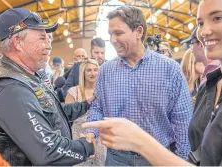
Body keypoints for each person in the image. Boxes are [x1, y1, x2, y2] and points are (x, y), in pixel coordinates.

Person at [86, 0, 222, 165]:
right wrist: (92, 130)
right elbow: (98, 106)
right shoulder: (106, 71)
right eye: (110, 34)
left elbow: (182, 120)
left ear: (138, 31)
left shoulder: (169, 69)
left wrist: (183, 159)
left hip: (157, 157)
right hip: (117, 159)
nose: (112, 39)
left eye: (118, 33)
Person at [0, 8, 95, 166]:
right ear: (18, 42)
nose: (49, 44)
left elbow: (53, 115)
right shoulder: (10, 89)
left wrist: (86, 104)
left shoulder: (30, 77)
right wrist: (88, 146)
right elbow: (48, 152)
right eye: (42, 38)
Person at [188, 0, 222, 165]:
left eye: (217, 18)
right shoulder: (210, 84)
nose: (204, 32)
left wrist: (143, 144)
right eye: (200, 23)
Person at [65, 59, 106, 166]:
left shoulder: (104, 91)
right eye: (89, 70)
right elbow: (67, 116)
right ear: (83, 73)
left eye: (95, 70)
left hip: (100, 138)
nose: (93, 73)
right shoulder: (73, 92)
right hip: (79, 138)